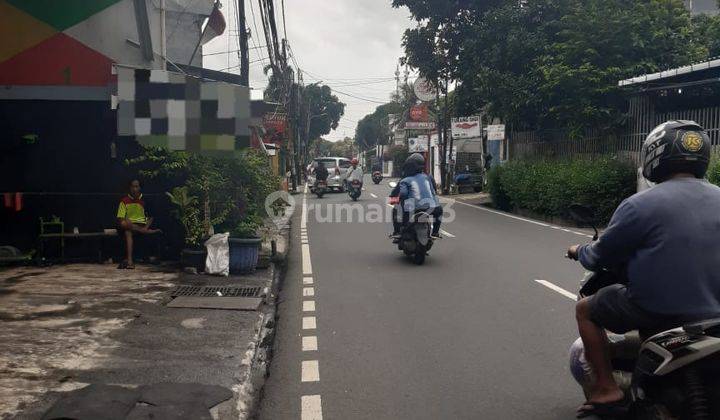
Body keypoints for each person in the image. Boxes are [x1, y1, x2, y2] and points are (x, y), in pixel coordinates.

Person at [566, 120, 720, 418]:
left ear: (655, 155)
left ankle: (606, 391)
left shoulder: (639, 205)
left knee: (585, 309)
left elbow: (598, 256)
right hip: (715, 317)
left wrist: (578, 250)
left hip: (660, 311)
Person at [391, 153, 443, 240]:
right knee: (439, 211)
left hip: (413, 208)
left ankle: (397, 232)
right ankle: (435, 232)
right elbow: (434, 191)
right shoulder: (428, 177)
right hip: (432, 207)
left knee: (397, 209)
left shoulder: (405, 179)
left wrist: (396, 200)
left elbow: (402, 194)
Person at [117, 179, 160, 269]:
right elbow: (121, 218)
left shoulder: (144, 200)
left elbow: (151, 217)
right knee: (125, 226)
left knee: (128, 231)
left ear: (140, 188)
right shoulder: (124, 201)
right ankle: (130, 261)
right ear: (130, 188)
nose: (134, 189)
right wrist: (126, 219)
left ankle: (130, 261)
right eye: (132, 186)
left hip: (141, 224)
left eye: (136, 186)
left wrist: (146, 227)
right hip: (128, 224)